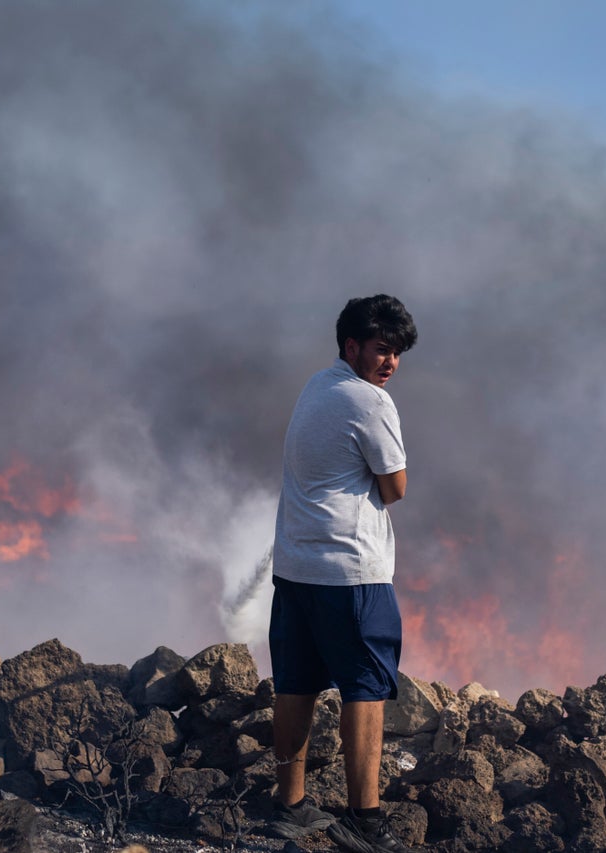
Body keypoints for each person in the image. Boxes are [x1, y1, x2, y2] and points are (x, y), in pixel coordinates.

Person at [266, 294, 418, 852]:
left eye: (398, 353)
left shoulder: (315, 386)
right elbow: (395, 487)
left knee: (296, 682)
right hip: (350, 571)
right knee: (366, 688)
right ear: (351, 346)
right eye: (382, 349)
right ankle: (365, 819)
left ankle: (290, 805)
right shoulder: (370, 402)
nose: (390, 363)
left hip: (295, 565)